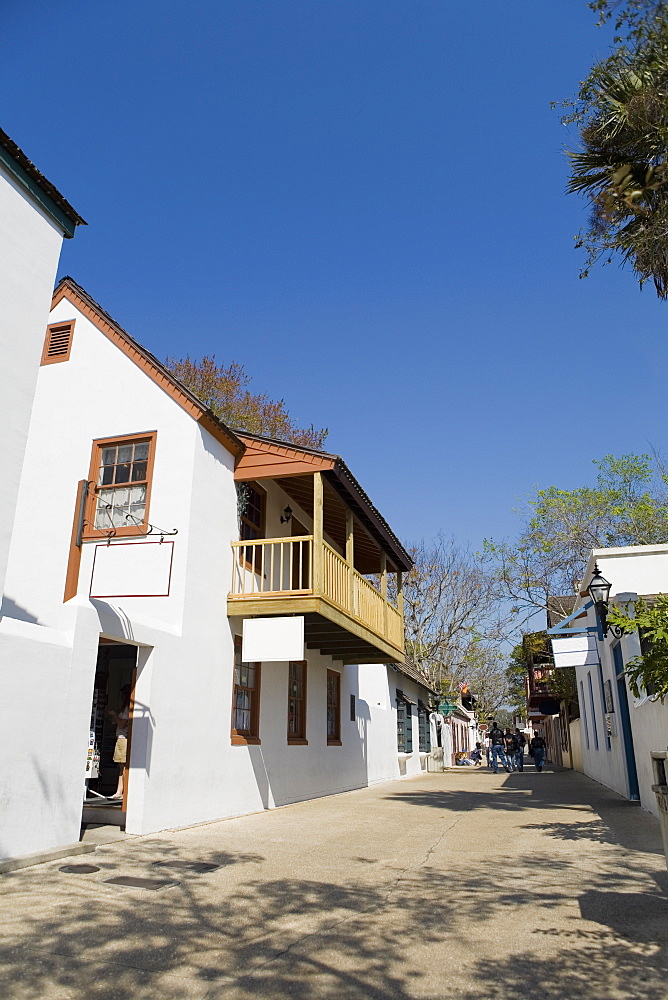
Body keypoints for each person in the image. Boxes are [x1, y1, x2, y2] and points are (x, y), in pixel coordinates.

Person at [108, 684, 131, 799]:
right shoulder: (126, 707)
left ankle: (121, 791)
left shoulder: (127, 707)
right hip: (121, 738)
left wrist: (115, 715)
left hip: (123, 739)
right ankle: (120, 790)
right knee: (121, 766)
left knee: (123, 765)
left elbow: (122, 724)